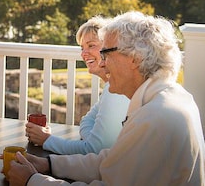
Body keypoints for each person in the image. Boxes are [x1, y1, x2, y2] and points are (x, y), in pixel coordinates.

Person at [8, 11, 205, 186]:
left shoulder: (154, 117)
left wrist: (31, 181)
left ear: (135, 58)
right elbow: (113, 160)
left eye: (106, 53)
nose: (102, 64)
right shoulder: (165, 98)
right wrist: (48, 164)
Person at [25, 16, 129, 154]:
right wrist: (91, 139)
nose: (84, 54)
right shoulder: (111, 87)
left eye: (91, 45)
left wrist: (46, 140)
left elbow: (93, 150)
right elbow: (86, 121)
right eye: (82, 48)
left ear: (108, 48)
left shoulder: (118, 92)